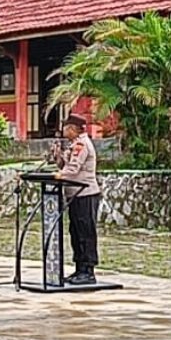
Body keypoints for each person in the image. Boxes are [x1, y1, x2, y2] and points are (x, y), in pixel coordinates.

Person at [53, 113, 102, 285]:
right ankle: (79, 268)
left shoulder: (82, 144)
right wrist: (58, 155)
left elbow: (73, 169)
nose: (63, 130)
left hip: (85, 194)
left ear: (73, 129)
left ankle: (88, 270)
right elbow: (66, 165)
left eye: (66, 127)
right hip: (74, 194)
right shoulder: (74, 144)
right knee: (75, 232)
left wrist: (57, 175)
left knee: (85, 232)